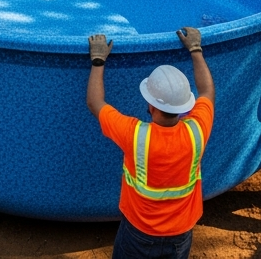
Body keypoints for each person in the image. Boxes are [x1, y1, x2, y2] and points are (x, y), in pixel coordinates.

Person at [87, 28, 214, 259]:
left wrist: (98, 61)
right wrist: (196, 49)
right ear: (184, 106)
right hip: (181, 233)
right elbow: (207, 91)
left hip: (138, 233)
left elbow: (95, 102)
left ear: (151, 105)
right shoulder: (197, 129)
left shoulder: (134, 134)